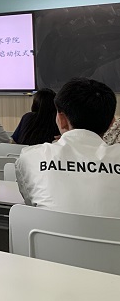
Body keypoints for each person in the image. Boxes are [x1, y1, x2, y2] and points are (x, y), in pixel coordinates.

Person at [16, 78, 119, 216]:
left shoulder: (30, 157)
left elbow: (32, 204)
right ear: (112, 122)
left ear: (62, 119)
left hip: (50, 230)